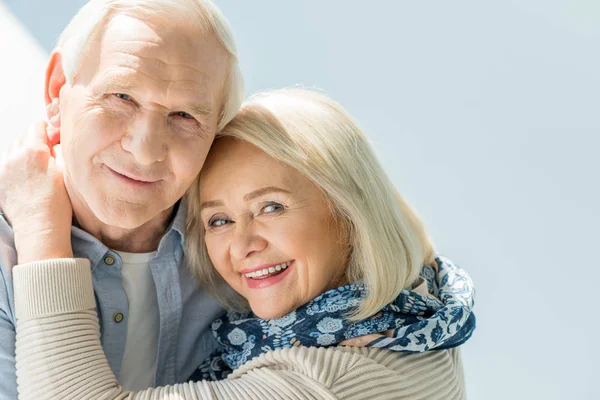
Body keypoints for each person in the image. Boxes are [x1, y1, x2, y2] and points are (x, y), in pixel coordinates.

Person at [10, 88, 475, 399]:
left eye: (271, 207)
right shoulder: (419, 313)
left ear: (349, 209)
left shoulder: (326, 381)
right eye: (218, 219)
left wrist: (39, 224)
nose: (242, 244)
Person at [0, 0, 244, 396]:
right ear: (58, 88)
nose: (146, 150)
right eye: (122, 96)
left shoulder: (243, 255)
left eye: (185, 116)